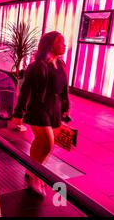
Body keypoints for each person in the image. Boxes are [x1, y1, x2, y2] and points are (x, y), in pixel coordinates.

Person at [11, 31, 70, 197]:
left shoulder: (62, 64)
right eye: (61, 41)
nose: (65, 45)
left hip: (55, 108)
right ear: (50, 44)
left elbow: (64, 88)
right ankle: (35, 176)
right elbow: (26, 91)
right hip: (39, 109)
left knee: (40, 143)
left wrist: (66, 105)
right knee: (48, 143)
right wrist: (19, 114)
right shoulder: (37, 66)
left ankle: (31, 170)